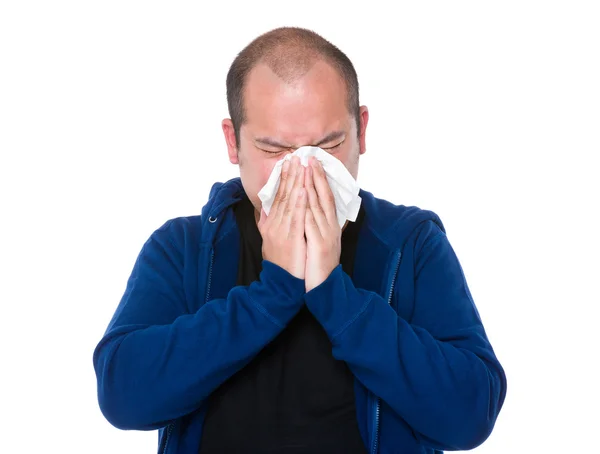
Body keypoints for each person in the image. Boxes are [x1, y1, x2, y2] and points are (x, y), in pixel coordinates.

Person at [93, 26, 507, 454]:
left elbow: (470, 416)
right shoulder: (184, 249)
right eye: (275, 150)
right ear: (233, 142)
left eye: (329, 144)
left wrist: (335, 295)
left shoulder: (410, 244)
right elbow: (123, 398)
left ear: (361, 132)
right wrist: (270, 295)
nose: (304, 169)